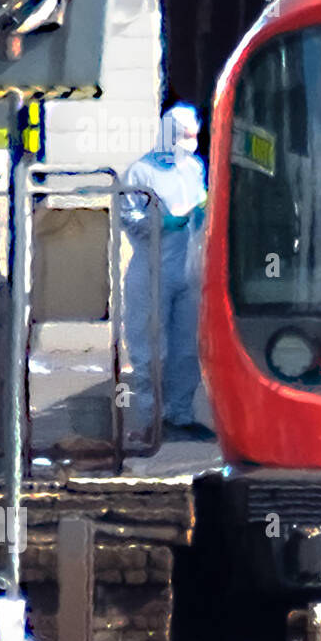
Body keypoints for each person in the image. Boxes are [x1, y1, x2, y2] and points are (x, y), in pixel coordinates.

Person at [123, 104, 215, 442]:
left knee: (187, 347)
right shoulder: (139, 173)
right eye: (183, 138)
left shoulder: (193, 167)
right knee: (150, 348)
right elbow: (129, 218)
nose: (189, 144)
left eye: (193, 137)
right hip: (152, 269)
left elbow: (202, 202)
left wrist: (203, 214)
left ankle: (180, 414)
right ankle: (151, 420)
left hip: (188, 268)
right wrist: (161, 223)